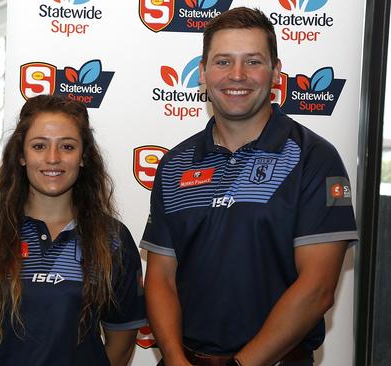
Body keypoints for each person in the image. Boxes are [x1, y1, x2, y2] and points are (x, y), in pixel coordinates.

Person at [141, 7, 358, 366]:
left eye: (253, 61)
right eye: (223, 62)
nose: (237, 75)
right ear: (202, 72)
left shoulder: (314, 159)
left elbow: (317, 288)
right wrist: (176, 360)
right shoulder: (175, 163)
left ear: (276, 72)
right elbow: (161, 277)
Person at [0, 94, 146, 366]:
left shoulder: (112, 238)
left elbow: (121, 341)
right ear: (21, 156)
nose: (53, 158)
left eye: (67, 147)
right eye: (39, 146)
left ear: (84, 157)